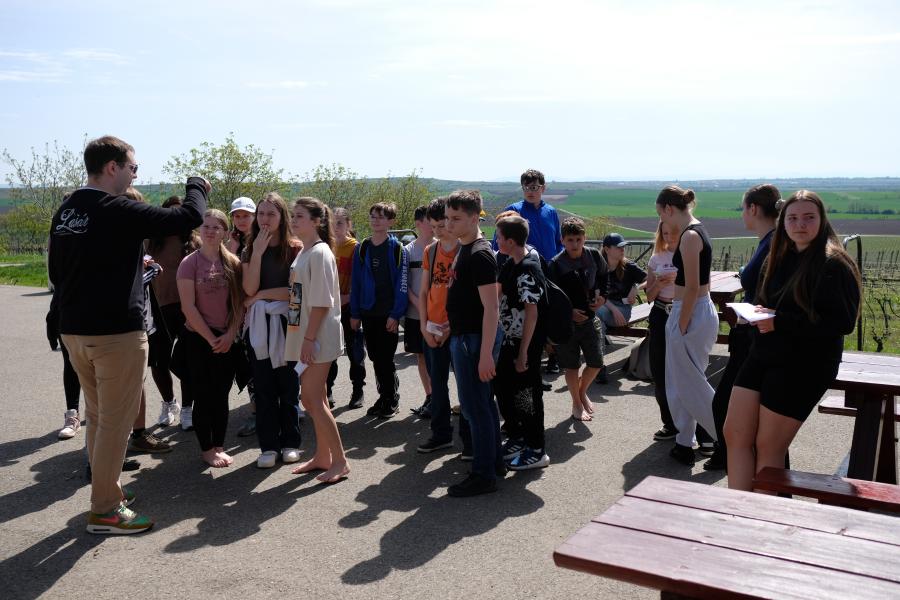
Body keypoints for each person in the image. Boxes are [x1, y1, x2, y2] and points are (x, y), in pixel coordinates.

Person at [49, 135, 206, 534]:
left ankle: (108, 490)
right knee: (115, 424)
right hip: (115, 333)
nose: (135, 174)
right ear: (112, 167)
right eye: (133, 168)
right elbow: (186, 218)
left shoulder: (67, 210)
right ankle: (104, 510)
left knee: (99, 417)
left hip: (75, 332)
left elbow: (55, 272)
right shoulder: (114, 208)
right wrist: (196, 186)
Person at [725, 190, 861, 491]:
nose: (800, 224)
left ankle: (763, 514)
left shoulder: (834, 264)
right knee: (734, 434)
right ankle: (737, 507)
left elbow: (842, 323)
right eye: (793, 218)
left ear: (822, 220)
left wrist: (779, 320)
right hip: (764, 354)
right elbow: (770, 304)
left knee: (768, 446)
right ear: (783, 221)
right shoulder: (777, 258)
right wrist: (758, 313)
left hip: (804, 364)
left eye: (809, 217)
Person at [704, 184, 782, 471]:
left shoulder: (772, 243)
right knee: (731, 403)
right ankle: (732, 457)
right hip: (750, 333)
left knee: (725, 403)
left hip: (756, 336)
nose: (741, 214)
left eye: (743, 208)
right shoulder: (771, 241)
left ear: (753, 209)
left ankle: (732, 458)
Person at [285, 197, 350, 483]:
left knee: (310, 399)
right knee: (317, 397)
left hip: (317, 336)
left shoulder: (320, 252)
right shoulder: (306, 250)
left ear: (316, 221)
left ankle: (341, 461)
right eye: (293, 215)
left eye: (299, 216)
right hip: (306, 334)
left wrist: (309, 339)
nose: (294, 220)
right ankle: (323, 456)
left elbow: (323, 302)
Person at [655, 185, 719, 466]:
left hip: (690, 312)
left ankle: (727, 437)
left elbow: (692, 287)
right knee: (683, 382)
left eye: (661, 214)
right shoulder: (696, 231)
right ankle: (684, 441)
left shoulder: (690, 236)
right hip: (693, 311)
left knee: (691, 384)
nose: (661, 221)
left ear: (669, 209)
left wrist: (680, 325)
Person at [445, 190, 502, 497]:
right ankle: (494, 463)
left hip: (473, 341)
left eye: (455, 218)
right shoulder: (464, 248)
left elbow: (491, 308)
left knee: (475, 407)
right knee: (482, 404)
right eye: (447, 218)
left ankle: (483, 475)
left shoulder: (479, 253)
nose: (449, 224)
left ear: (473, 218)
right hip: (464, 336)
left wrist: (485, 355)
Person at [177, 209, 244, 468]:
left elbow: (239, 304)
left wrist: (230, 334)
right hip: (198, 339)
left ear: (225, 232)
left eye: (217, 227)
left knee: (221, 395)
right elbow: (188, 306)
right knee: (203, 396)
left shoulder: (233, 263)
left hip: (226, 339)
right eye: (206, 226)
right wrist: (210, 338)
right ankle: (206, 449)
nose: (210, 231)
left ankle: (219, 446)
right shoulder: (189, 263)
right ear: (199, 230)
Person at [242, 192, 303, 469]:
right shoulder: (250, 248)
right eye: (261, 213)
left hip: (287, 323)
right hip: (259, 326)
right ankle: (268, 447)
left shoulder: (295, 248)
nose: (265, 219)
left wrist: (261, 296)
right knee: (264, 387)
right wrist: (257, 253)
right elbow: (248, 289)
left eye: (271, 214)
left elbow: (295, 293)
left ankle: (291, 443)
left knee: (289, 386)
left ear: (282, 217)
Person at [416, 197, 473, 455]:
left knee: (466, 385)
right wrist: (423, 326)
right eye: (434, 226)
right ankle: (441, 434)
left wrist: (450, 327)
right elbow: (424, 291)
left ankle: (469, 441)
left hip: (458, 329)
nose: (439, 231)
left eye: (442, 225)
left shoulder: (465, 250)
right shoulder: (431, 251)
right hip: (432, 327)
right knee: (437, 385)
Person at [492, 169, 564, 374]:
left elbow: (558, 242)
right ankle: (526, 358)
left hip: (546, 271)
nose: (530, 191)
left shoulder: (551, 212)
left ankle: (552, 355)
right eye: (526, 187)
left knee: (546, 315)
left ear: (543, 188)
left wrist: (557, 264)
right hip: (521, 272)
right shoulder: (514, 210)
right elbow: (498, 243)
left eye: (534, 187)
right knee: (526, 315)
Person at [495, 214, 549, 469]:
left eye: (499, 237)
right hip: (510, 340)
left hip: (525, 343)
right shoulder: (511, 262)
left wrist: (524, 352)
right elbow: (496, 293)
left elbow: (532, 313)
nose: (496, 241)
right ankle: (517, 437)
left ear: (510, 241)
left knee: (527, 395)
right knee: (504, 388)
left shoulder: (528, 268)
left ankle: (536, 449)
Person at [349, 202, 409, 419]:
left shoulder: (397, 249)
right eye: (373, 216)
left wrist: (395, 314)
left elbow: (402, 284)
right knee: (375, 357)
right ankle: (383, 396)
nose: (376, 220)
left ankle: (391, 398)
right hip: (368, 312)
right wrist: (355, 313)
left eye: (381, 217)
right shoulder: (362, 248)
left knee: (386, 358)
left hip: (387, 314)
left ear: (391, 221)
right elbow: (356, 283)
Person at [147, 195, 201, 430]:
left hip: (189, 309)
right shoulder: (151, 241)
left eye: (181, 212)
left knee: (188, 361)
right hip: (159, 308)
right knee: (158, 361)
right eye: (172, 212)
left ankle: (188, 408)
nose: (176, 217)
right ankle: (170, 403)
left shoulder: (195, 242)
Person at [547, 217, 608, 421]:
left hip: (590, 319)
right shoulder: (556, 264)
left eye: (578, 240)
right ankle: (576, 403)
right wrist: (569, 312)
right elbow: (552, 298)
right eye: (570, 240)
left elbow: (604, 277)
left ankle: (581, 392)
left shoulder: (594, 255)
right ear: (562, 240)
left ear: (585, 238)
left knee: (596, 362)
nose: (574, 244)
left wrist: (603, 297)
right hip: (567, 325)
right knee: (571, 366)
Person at [326, 207, 366, 409]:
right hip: (330, 309)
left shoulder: (356, 248)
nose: (336, 227)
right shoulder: (326, 246)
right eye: (332, 223)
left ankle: (358, 390)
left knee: (355, 352)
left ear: (349, 225)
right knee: (329, 353)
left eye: (340, 223)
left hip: (350, 308)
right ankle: (328, 391)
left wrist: (348, 298)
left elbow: (362, 282)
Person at [226, 196, 260, 437]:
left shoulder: (262, 239)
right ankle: (256, 412)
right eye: (237, 216)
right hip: (240, 311)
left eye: (246, 215)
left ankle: (284, 406)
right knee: (249, 365)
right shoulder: (231, 242)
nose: (241, 220)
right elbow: (228, 274)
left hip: (261, 307)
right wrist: (232, 248)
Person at [644, 221, 679, 442]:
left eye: (673, 233)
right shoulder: (656, 258)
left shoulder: (688, 255)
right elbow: (648, 296)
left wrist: (679, 280)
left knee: (683, 371)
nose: (669, 237)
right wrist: (658, 283)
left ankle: (692, 423)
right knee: (660, 371)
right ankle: (669, 423)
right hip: (660, 312)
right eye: (665, 233)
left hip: (682, 312)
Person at [405, 205, 434, 416]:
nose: (433, 224)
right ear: (418, 224)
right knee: (421, 356)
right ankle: (430, 396)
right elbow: (404, 283)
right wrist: (419, 303)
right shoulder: (408, 251)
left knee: (439, 359)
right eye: (428, 220)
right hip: (415, 313)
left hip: (438, 313)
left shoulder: (442, 247)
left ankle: (441, 397)